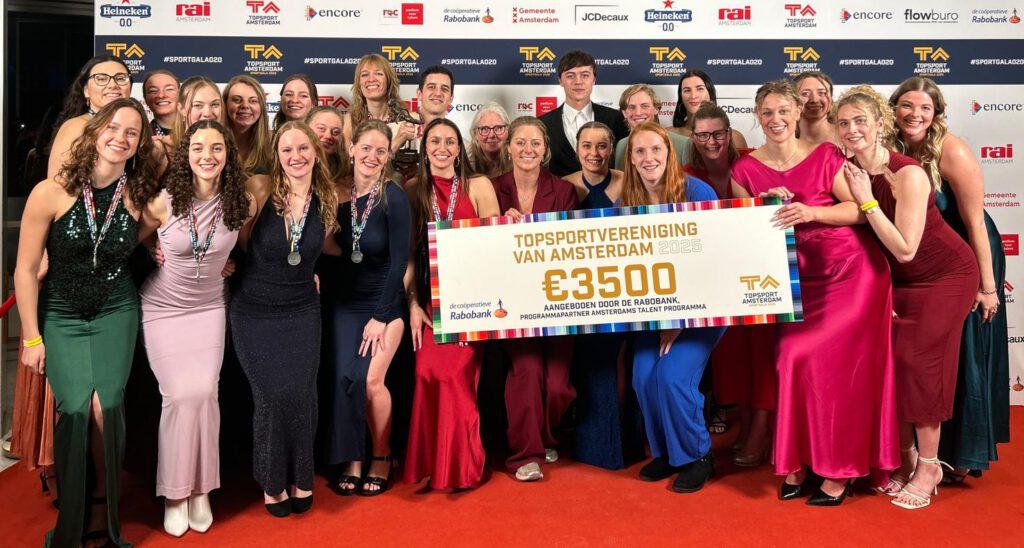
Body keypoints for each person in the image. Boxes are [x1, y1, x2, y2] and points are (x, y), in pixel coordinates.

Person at [730, 79, 899, 505]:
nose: (776, 120)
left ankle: (840, 471)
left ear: (796, 113)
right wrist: (762, 208)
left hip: (851, 273)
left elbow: (858, 211)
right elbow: (741, 235)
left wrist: (810, 212)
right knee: (791, 358)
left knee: (833, 367)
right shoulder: (743, 171)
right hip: (796, 284)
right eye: (767, 113)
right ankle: (799, 461)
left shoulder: (826, 155)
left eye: (783, 111)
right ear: (757, 116)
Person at [15, 98, 158, 547]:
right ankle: (73, 515)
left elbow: (142, 239)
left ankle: (103, 507)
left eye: (132, 132)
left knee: (106, 406)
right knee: (76, 409)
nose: (121, 137)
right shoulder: (51, 192)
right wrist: (31, 338)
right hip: (62, 313)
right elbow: (24, 270)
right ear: (95, 132)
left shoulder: (139, 197)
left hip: (116, 309)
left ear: (139, 144)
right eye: (113, 127)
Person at [836, 85, 978, 509]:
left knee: (920, 364)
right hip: (898, 283)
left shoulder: (909, 174)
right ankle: (908, 458)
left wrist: (866, 202)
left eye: (860, 120)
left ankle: (931, 466)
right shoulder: (846, 170)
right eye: (844, 123)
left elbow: (904, 249)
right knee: (893, 365)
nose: (852, 129)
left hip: (945, 276)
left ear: (880, 123)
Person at [890, 77, 1009, 480]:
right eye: (907, 105)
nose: (915, 115)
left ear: (937, 113)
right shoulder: (891, 148)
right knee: (932, 358)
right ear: (893, 108)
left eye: (925, 108)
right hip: (926, 261)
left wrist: (987, 287)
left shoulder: (951, 150)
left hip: (968, 256)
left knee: (966, 349)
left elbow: (975, 223)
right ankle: (929, 451)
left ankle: (962, 455)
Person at [138, 120, 251, 535]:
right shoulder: (163, 202)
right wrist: (151, 249)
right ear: (186, 155)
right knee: (178, 396)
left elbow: (253, 248)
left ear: (228, 154)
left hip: (209, 309)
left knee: (205, 393)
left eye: (217, 148)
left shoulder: (242, 203)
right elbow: (132, 240)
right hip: (164, 308)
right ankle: (174, 493)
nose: (208, 156)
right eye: (199, 147)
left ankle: (201, 488)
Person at [231, 121, 340, 517]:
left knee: (303, 395)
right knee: (271, 396)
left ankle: (302, 477)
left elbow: (327, 247)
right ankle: (272, 481)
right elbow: (234, 238)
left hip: (302, 309)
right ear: (276, 156)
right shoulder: (260, 188)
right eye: (287, 150)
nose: (296, 156)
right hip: (255, 310)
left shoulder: (327, 196)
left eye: (303, 148)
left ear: (316, 152)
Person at [617, 121, 723, 493]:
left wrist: (682, 317)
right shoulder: (625, 202)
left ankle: (698, 455)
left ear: (669, 154)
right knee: (643, 377)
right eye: (640, 151)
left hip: (704, 306)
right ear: (631, 159)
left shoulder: (697, 191)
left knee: (673, 377)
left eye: (656, 150)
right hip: (655, 311)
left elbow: (715, 258)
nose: (649, 158)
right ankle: (668, 453)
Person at [403, 118, 500, 490]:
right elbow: (409, 256)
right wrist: (412, 304)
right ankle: (432, 464)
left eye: (450, 141)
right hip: (430, 303)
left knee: (454, 377)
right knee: (426, 373)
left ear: (460, 149)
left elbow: (496, 246)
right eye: (435, 141)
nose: (442, 148)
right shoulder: (413, 189)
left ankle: (461, 468)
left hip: (473, 303)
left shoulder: (479, 186)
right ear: (425, 148)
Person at [683, 102, 774, 467]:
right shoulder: (686, 174)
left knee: (762, 352)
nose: (712, 141)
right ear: (693, 137)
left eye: (718, 133)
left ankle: (760, 431)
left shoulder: (752, 162)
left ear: (730, 133)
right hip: (717, 280)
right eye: (703, 134)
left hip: (759, 275)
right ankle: (748, 426)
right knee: (732, 358)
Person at [323, 120, 410, 496]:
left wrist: (381, 315)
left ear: (388, 155)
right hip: (346, 302)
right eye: (366, 148)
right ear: (351, 149)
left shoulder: (394, 196)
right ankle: (352, 456)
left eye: (380, 150)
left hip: (384, 302)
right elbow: (330, 247)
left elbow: (399, 261)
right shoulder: (336, 192)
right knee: (345, 379)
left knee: (372, 381)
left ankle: (382, 455)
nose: (372, 156)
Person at [491, 116, 579, 481]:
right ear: (509, 148)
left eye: (535, 144)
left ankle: (544, 437)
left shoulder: (563, 191)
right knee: (525, 371)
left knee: (558, 386)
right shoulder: (492, 188)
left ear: (545, 151)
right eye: (520, 142)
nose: (528, 150)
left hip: (556, 300)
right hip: (511, 302)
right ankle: (525, 455)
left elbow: (572, 245)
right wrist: (498, 224)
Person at [563, 121, 644, 470]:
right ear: (577, 148)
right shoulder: (564, 185)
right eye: (586, 146)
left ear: (612, 149)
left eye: (601, 146)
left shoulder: (629, 181)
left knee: (624, 361)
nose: (594, 153)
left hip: (626, 291)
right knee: (592, 364)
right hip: (581, 294)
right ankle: (595, 443)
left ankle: (626, 441)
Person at [539, 49, 629, 176]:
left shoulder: (616, 119)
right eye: (570, 76)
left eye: (585, 75)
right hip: (558, 189)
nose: (578, 82)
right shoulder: (542, 124)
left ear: (594, 79)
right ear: (560, 80)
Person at [47, 55, 132, 179]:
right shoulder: (76, 127)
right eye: (101, 79)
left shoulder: (136, 127)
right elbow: (56, 183)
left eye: (120, 78)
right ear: (86, 90)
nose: (113, 85)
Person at [344, 54, 416, 155]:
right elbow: (350, 162)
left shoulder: (409, 119)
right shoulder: (350, 121)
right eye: (364, 75)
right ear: (359, 83)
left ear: (389, 81)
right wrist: (397, 141)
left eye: (378, 73)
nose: (371, 79)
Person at [613, 84, 691, 168]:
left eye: (645, 106)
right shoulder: (621, 145)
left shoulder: (683, 144)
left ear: (656, 109)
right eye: (632, 107)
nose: (638, 113)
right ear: (624, 113)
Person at [670, 69, 748, 149]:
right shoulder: (667, 135)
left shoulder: (735, 138)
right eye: (687, 90)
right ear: (681, 97)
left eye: (700, 89)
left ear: (710, 93)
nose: (693, 96)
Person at [223, 75, 273, 174]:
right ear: (225, 104)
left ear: (262, 107)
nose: (245, 106)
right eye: (237, 100)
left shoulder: (275, 142)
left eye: (253, 101)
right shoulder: (211, 141)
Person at [306, 106, 351, 186]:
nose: (328, 136)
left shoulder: (346, 175)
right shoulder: (293, 165)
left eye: (335, 132)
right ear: (305, 129)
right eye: (321, 128)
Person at [467, 102, 511, 179]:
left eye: (498, 128)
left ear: (508, 131)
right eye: (484, 129)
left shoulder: (518, 164)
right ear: (475, 134)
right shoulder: (465, 167)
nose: (491, 135)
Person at [795, 71, 835, 146]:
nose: (814, 100)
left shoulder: (846, 135)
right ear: (793, 101)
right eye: (805, 93)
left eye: (822, 93)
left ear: (832, 101)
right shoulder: (783, 140)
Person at [142, 69, 180, 137]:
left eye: (169, 89)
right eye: (153, 91)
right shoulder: (141, 137)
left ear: (180, 95)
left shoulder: (196, 131)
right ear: (145, 99)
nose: (161, 95)